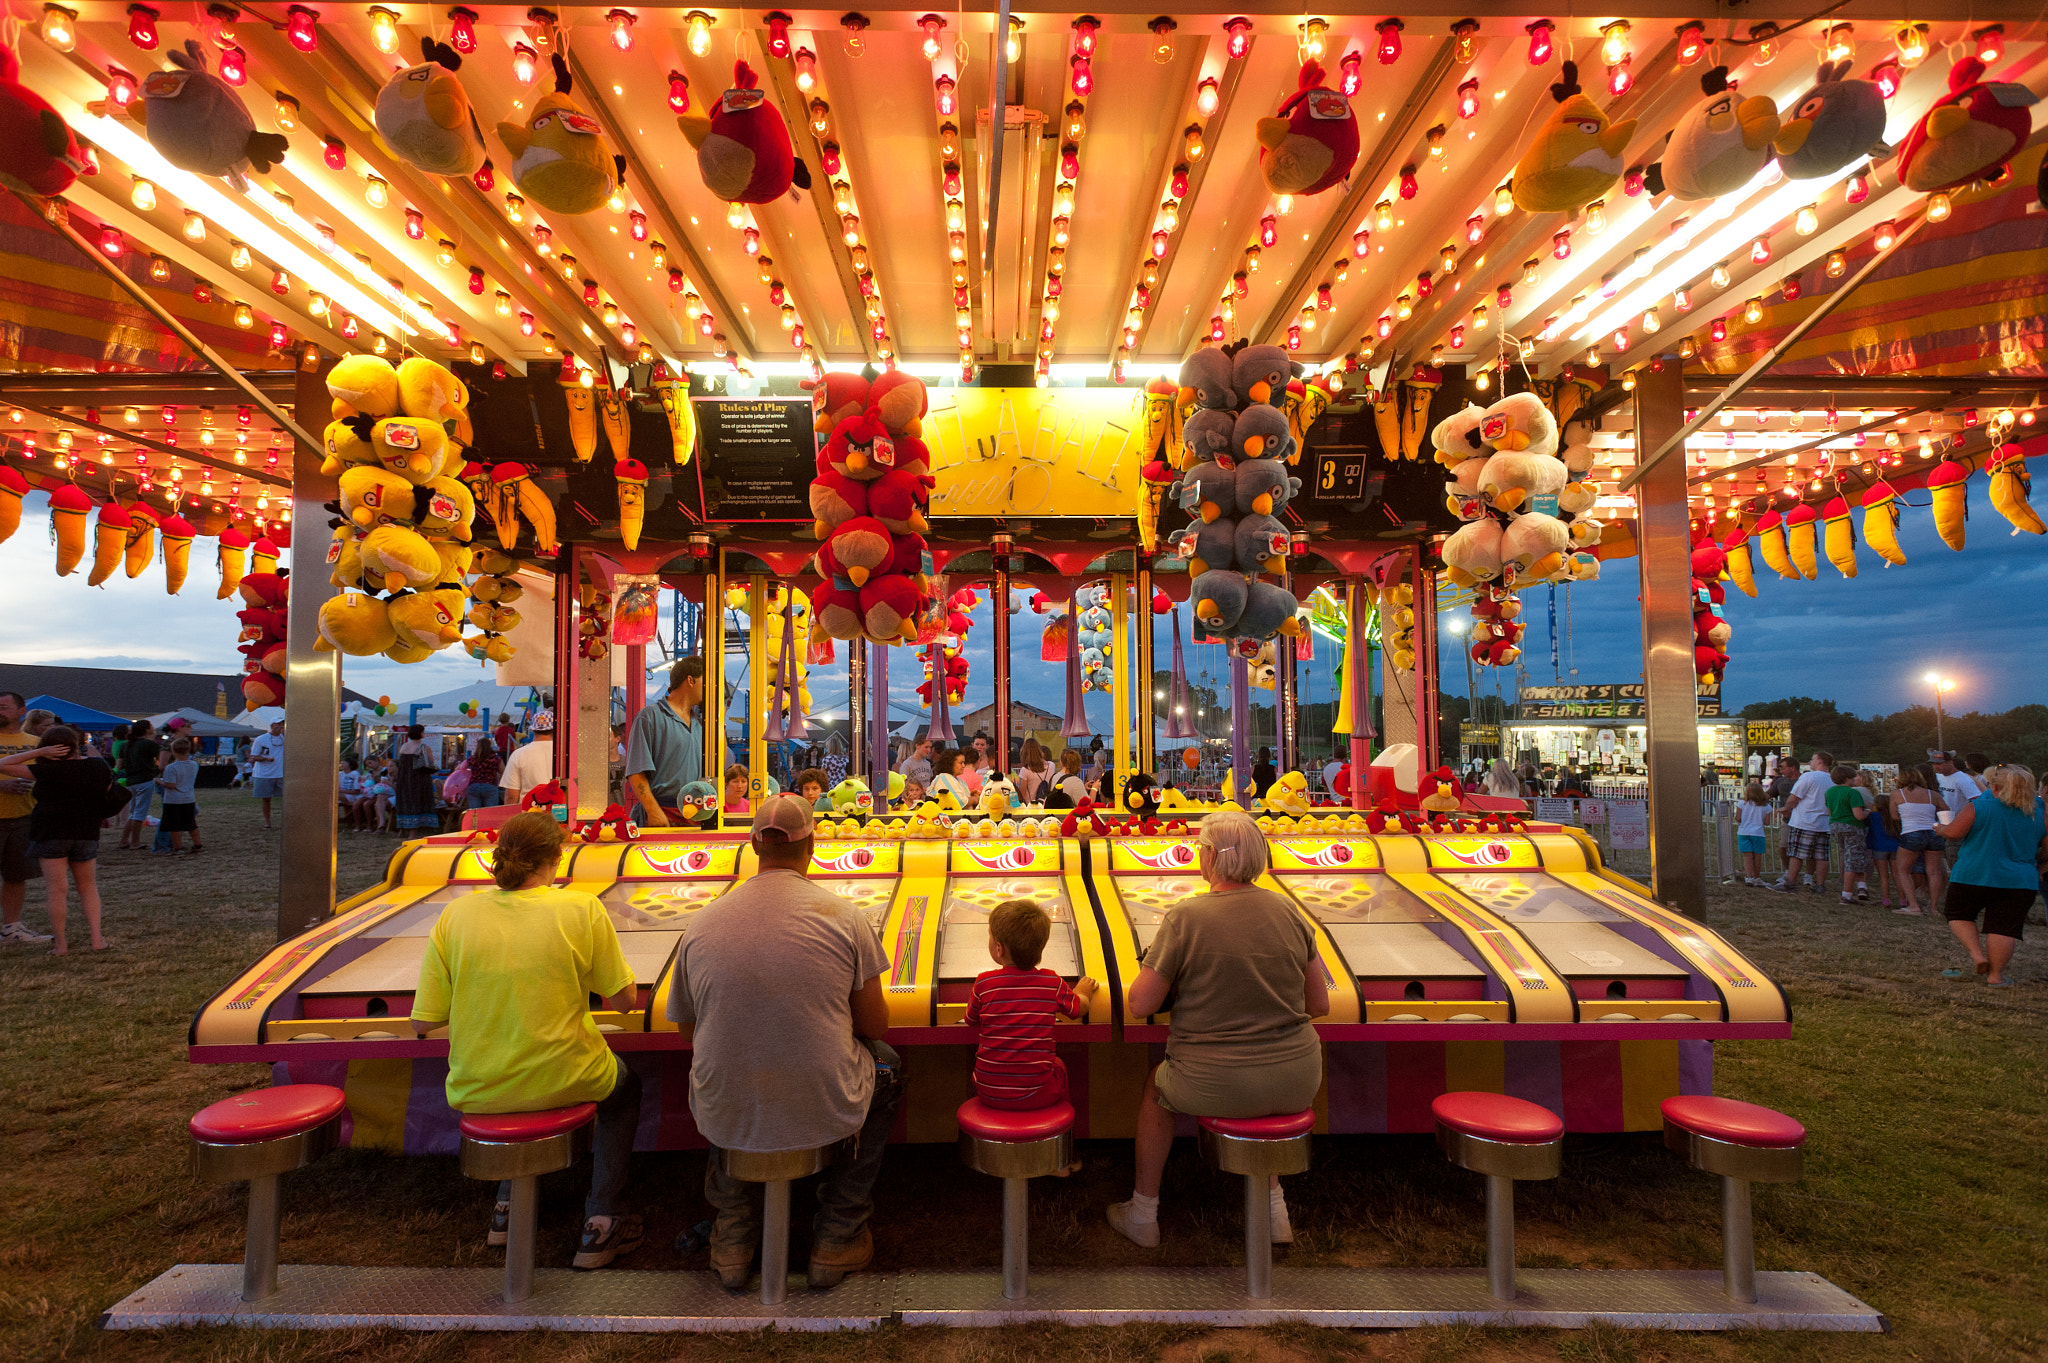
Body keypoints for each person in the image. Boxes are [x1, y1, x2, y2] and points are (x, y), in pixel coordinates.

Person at [666, 793, 901, 1291]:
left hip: (725, 1103)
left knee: (727, 1060)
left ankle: (732, 1233)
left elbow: (689, 1031)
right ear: (812, 845)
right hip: (824, 1099)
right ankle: (839, 1233)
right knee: (890, 1067)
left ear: (753, 845)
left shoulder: (702, 922)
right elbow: (875, 1028)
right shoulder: (843, 916)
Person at [409, 811, 644, 1268]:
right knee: (625, 1090)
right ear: (557, 858)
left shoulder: (456, 915)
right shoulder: (580, 908)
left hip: (476, 1085)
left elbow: (424, 1021)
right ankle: (602, 1219)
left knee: (513, 1083)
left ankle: (507, 1207)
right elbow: (622, 1001)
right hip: (570, 1074)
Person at [1107, 811, 1328, 1249]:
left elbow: (1139, 1005)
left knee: (1156, 1087)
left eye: (1199, 849)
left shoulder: (1185, 917)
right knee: (1263, 1091)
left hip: (1214, 1080)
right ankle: (1275, 1213)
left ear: (1209, 856)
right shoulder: (1290, 910)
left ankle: (1143, 1214)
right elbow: (1318, 1003)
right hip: (1299, 1078)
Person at [967, 900, 1098, 1127]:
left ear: (999, 948)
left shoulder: (983, 983)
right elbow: (1078, 1009)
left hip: (987, 1090)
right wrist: (1083, 991)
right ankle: (1060, 1129)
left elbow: (970, 1019)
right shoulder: (1050, 981)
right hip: (1037, 1093)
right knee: (1059, 1066)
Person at [0, 726, 112, 954]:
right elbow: (108, 785)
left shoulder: (46, 770)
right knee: (88, 887)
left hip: (50, 832)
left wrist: (37, 753)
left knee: (56, 890)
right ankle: (97, 939)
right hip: (85, 831)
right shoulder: (96, 766)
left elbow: (3, 764)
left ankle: (61, 944)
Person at [1937, 765, 2046, 989]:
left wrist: (1940, 828)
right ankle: (1996, 976)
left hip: (1973, 873)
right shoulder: (2038, 810)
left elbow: (1954, 833)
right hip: (2019, 880)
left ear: (1994, 786)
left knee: (1958, 913)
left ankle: (1978, 956)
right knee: (2003, 927)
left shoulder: (1979, 806)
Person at [625, 658, 706, 828]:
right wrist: (653, 812)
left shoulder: (700, 723)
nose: (709, 689)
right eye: (706, 681)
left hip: (696, 814)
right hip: (662, 812)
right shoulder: (649, 717)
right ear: (690, 680)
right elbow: (636, 771)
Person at [0, 692, 47, 944]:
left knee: (16, 875)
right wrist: (2, 786)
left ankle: (11, 928)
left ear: (21, 710)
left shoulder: (35, 742)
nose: (0, 711)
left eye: (5, 707)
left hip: (23, 818)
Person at [1771, 751, 1837, 894]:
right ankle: (1820, 885)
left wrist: (1787, 808)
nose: (1810, 762)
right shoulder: (1832, 779)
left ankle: (1790, 883)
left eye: (1813, 759)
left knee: (1796, 854)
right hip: (1824, 822)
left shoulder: (1809, 776)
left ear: (1820, 761)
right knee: (1821, 856)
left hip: (1804, 821)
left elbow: (1795, 797)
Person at [1890, 767, 1947, 915]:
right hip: (1933, 832)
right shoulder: (1932, 794)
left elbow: (1894, 816)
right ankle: (1933, 907)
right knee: (1934, 872)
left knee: (1903, 870)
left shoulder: (1897, 794)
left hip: (1911, 832)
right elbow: (1946, 811)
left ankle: (1913, 906)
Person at [1823, 765, 1871, 904]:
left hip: (1835, 825)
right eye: (1853, 777)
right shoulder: (1852, 793)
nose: (1856, 779)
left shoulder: (1829, 792)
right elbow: (1859, 816)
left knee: (1849, 856)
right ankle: (1847, 895)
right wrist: (1868, 810)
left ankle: (1862, 887)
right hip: (1852, 827)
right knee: (1853, 860)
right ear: (1847, 778)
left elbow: (1830, 812)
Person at [1855, 769, 1899, 908]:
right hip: (1896, 847)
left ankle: (1886, 899)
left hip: (1879, 848)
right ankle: (1904, 900)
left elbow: (1863, 822)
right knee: (1898, 875)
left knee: (1883, 876)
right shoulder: (1895, 819)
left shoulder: (1873, 816)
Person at [116, 718, 160, 850]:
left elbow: (119, 765)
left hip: (130, 781)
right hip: (145, 780)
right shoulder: (150, 745)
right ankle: (135, 842)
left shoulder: (126, 745)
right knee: (140, 813)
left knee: (133, 812)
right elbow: (158, 760)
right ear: (147, 730)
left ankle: (124, 840)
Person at [500, 712, 555, 810]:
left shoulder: (519, 754)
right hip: (559, 813)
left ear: (533, 729)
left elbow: (511, 796)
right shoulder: (565, 753)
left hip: (529, 815)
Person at [157, 738, 203, 855]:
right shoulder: (193, 765)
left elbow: (171, 785)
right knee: (191, 824)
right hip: (188, 798)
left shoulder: (171, 768)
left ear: (173, 751)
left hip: (173, 800)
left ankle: (177, 848)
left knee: (175, 826)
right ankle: (198, 845)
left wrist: (159, 782)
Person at [392, 725, 439, 834]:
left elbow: (401, 762)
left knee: (407, 802)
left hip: (405, 778)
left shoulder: (404, 747)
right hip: (420, 778)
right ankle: (420, 829)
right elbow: (430, 762)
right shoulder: (424, 747)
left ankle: (404, 828)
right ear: (420, 733)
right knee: (420, 801)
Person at [249, 718, 285, 831]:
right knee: (266, 799)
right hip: (264, 774)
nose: (280, 726)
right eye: (278, 724)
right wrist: (265, 759)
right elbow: (253, 756)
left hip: (280, 773)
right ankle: (267, 822)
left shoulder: (284, 738)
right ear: (272, 725)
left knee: (288, 798)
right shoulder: (261, 739)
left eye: (282, 724)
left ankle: (288, 821)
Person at [1737, 780, 1773, 886]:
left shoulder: (1741, 803)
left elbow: (1738, 818)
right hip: (1758, 833)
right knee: (1757, 856)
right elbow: (1767, 822)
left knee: (1747, 856)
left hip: (1744, 832)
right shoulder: (1766, 806)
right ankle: (1757, 877)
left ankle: (1749, 877)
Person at [464, 736, 504, 810]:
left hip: (474, 786)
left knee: (474, 813)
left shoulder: (472, 758)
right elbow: (503, 771)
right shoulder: (496, 759)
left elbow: (460, 768)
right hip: (490, 785)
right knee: (490, 812)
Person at [1015, 738, 1048, 806]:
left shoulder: (1025, 770)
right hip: (1046, 805)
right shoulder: (1051, 766)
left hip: (1031, 806)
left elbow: (1022, 795)